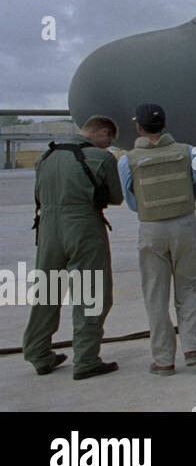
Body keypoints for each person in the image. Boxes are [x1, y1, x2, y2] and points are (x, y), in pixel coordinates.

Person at [117, 104, 196, 375]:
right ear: (164, 124)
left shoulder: (127, 159)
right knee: (188, 287)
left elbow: (130, 201)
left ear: (138, 127)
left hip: (150, 227)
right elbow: (195, 187)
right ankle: (194, 348)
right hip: (184, 223)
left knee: (155, 293)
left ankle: (163, 360)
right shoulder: (189, 151)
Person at [23, 115, 123, 380]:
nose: (108, 145)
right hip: (83, 227)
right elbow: (116, 197)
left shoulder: (45, 157)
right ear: (102, 133)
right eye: (109, 140)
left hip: (47, 228)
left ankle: (38, 353)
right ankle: (86, 359)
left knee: (46, 291)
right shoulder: (102, 158)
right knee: (91, 293)